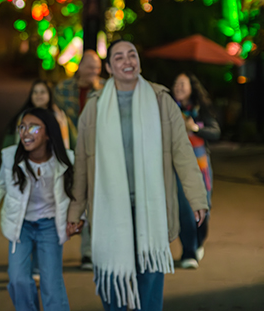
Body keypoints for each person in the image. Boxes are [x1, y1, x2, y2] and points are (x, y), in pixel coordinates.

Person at [67, 40, 208, 311]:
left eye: (132, 54)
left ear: (139, 62)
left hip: (151, 209)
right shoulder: (95, 108)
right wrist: (75, 211)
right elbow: (82, 164)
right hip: (110, 211)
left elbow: (182, 151)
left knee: (149, 282)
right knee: (114, 284)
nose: (127, 60)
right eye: (118, 57)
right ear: (108, 67)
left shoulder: (161, 100)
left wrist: (197, 197)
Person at [0, 107, 74, 311]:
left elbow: (77, 193)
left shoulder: (65, 161)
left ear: (48, 133)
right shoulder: (11, 157)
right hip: (21, 226)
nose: (25, 132)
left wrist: (78, 218)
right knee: (18, 279)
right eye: (22, 127)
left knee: (51, 282)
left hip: (50, 225)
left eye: (34, 128)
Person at [54, 50, 104, 270]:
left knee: (92, 202)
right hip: (69, 154)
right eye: (90, 66)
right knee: (63, 202)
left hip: (96, 155)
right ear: (80, 66)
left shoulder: (106, 89)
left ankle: (88, 252)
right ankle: (50, 252)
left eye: (97, 68)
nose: (94, 71)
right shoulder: (62, 89)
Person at [172, 72, 220, 269]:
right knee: (184, 209)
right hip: (177, 166)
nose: (178, 87)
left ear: (191, 87)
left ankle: (199, 241)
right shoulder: (169, 109)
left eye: (182, 84)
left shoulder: (201, 110)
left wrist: (195, 129)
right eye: (176, 84)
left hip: (200, 166)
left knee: (203, 206)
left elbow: (215, 132)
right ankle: (188, 251)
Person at [3, 80, 76, 150]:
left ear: (50, 94)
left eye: (42, 92)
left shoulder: (61, 118)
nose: (38, 95)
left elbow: (74, 143)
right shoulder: (22, 118)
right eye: (35, 92)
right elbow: (8, 143)